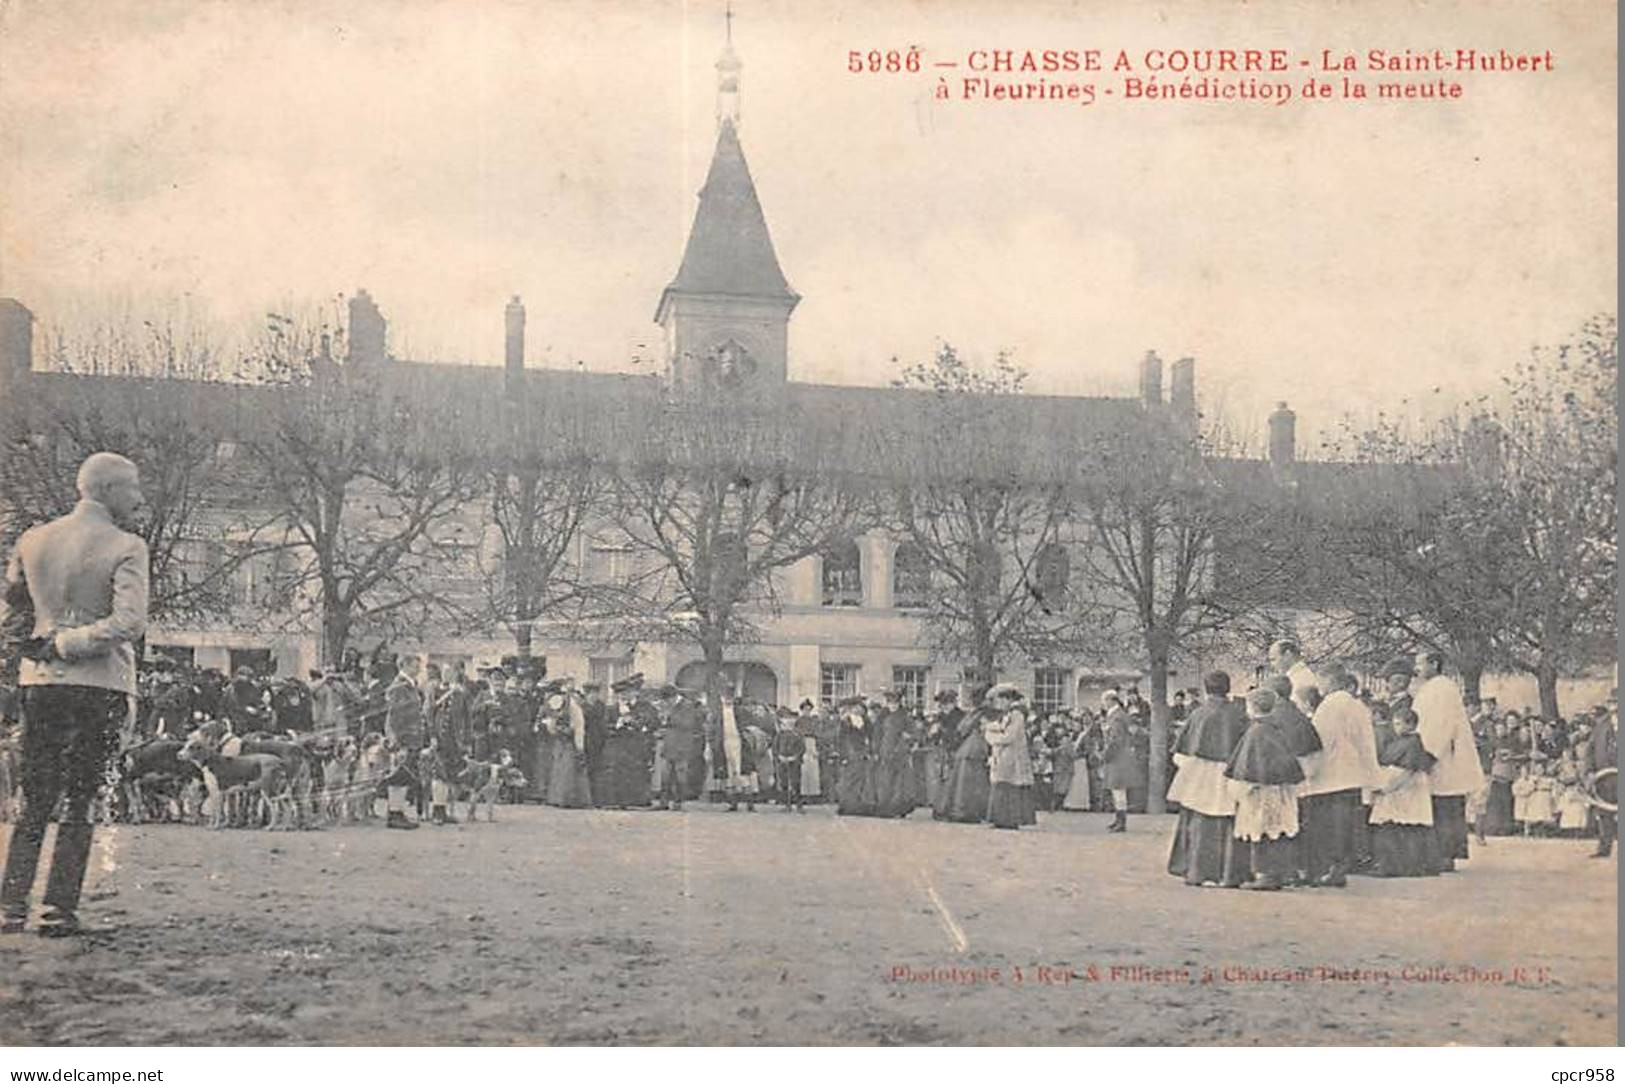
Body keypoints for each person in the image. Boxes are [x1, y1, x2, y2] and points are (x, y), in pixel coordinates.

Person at [1, 452, 149, 936]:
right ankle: (57, 908)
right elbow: (130, 622)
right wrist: (69, 644)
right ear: (107, 490)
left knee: (34, 795)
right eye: (131, 487)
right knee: (82, 797)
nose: (139, 497)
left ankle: (11, 904)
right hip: (98, 684)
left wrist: (37, 647)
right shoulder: (127, 545)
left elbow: (14, 613)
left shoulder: (33, 539)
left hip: (39, 683)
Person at [1300, 663, 1381, 887]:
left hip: (1330, 775)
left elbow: (1320, 739)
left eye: (1322, 681)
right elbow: (1366, 742)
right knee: (1344, 826)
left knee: (1326, 826)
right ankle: (1340, 868)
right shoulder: (1358, 706)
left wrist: (1309, 767)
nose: (1320, 686)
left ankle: (1328, 868)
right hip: (1352, 774)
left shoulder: (1329, 706)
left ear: (1331, 681)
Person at [1166, 671, 1248, 887]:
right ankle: (1229, 874)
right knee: (1229, 822)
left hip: (1200, 774)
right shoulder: (1239, 714)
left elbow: (1180, 754)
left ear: (1206, 688)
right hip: (1230, 774)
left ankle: (1196, 871)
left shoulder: (1198, 714)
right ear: (1228, 688)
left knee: (1199, 821)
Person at [1412, 651, 1485, 871]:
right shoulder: (1431, 688)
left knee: (1445, 809)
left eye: (1420, 663)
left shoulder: (1442, 688)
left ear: (1434, 664)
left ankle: (1444, 856)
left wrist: (1429, 754)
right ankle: (1439, 855)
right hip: (1437, 755)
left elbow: (1441, 725)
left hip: (1442, 758)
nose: (1417, 668)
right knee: (1442, 808)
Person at [983, 684, 1036, 829]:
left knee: (1008, 786)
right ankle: (1001, 819)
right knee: (1002, 785)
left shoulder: (1016, 714)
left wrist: (991, 737)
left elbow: (1009, 736)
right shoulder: (1009, 715)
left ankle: (1009, 820)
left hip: (1011, 756)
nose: (998, 704)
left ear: (1007, 699)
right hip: (1005, 755)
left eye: (999, 700)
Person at [942, 688, 992, 823]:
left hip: (970, 748)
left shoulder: (978, 713)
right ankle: (967, 810)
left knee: (966, 782)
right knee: (971, 782)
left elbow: (963, 728)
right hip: (973, 748)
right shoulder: (980, 713)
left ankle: (964, 810)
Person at [1584, 695, 1616, 857]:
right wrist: (1589, 771)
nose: (1614, 706)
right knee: (1604, 812)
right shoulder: (1600, 726)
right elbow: (1589, 750)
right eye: (1612, 702)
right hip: (1604, 776)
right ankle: (1604, 848)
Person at [1101, 690, 1136, 832]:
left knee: (1118, 790)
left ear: (1111, 700)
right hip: (1120, 757)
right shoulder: (1118, 715)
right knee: (1117, 790)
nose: (1103, 704)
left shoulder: (1116, 717)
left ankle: (1121, 822)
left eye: (1104, 700)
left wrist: (1106, 755)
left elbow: (1115, 740)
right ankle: (1118, 819)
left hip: (1117, 758)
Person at [1269, 639, 1320, 715]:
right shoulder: (1299, 675)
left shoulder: (1301, 678)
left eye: (1273, 659)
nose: (1272, 665)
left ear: (1287, 655)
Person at [772, 707, 805, 812]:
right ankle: (787, 804)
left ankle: (799, 805)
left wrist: (794, 757)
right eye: (785, 721)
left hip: (794, 762)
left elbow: (802, 748)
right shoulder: (779, 735)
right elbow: (775, 748)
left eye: (790, 721)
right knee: (784, 783)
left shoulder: (798, 735)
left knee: (795, 782)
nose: (788, 724)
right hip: (782, 761)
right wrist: (779, 756)